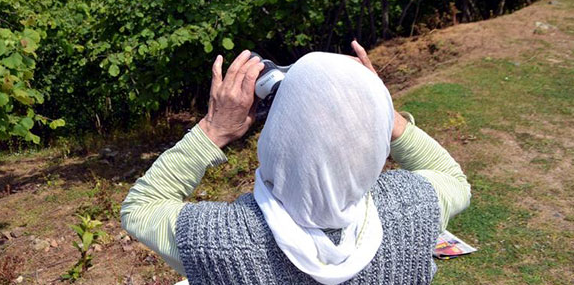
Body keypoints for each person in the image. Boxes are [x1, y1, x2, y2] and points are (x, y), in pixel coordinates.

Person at [121, 42, 470, 284]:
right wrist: (376, 108)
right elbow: (451, 178)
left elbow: (141, 208)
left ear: (279, 137)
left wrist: (215, 129)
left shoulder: (223, 239)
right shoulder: (410, 209)